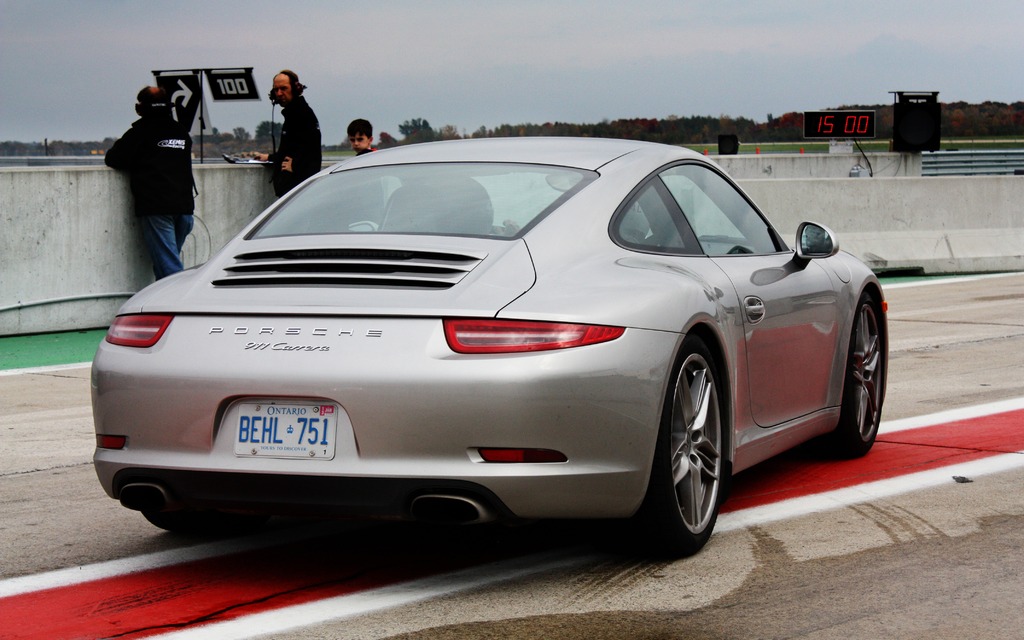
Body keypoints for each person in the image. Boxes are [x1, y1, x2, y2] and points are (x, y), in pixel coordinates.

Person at [105, 86, 195, 280]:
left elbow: (114, 159)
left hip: (158, 207)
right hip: (185, 208)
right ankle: (165, 301)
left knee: (169, 268)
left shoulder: (141, 132)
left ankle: (177, 305)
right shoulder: (180, 131)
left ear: (141, 107)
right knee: (168, 264)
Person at [256, 69, 322, 196]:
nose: (279, 93)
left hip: (297, 188)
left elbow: (311, 149)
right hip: (292, 187)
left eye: (284, 88)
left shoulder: (302, 114)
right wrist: (269, 157)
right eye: (276, 90)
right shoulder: (294, 113)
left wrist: (296, 166)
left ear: (295, 89)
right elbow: (292, 148)